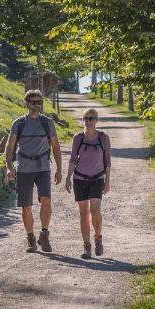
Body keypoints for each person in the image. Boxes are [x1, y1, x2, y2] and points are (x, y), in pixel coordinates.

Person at [5, 89, 62, 253]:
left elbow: (56, 147)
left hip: (43, 168)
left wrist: (59, 169)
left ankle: (44, 234)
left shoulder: (47, 123)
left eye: (39, 102)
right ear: (26, 103)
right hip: (23, 169)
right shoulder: (19, 123)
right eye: (33, 102)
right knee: (26, 206)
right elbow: (9, 147)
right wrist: (9, 167)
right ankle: (30, 238)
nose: (36, 105)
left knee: (46, 200)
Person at [65, 107, 111, 259]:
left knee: (95, 210)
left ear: (96, 120)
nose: (88, 121)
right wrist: (67, 177)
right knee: (83, 214)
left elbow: (107, 162)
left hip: (97, 178)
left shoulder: (103, 138)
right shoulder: (78, 138)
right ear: (82, 120)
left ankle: (98, 238)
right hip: (80, 179)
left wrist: (107, 181)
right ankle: (86, 246)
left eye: (91, 118)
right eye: (86, 118)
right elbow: (73, 159)